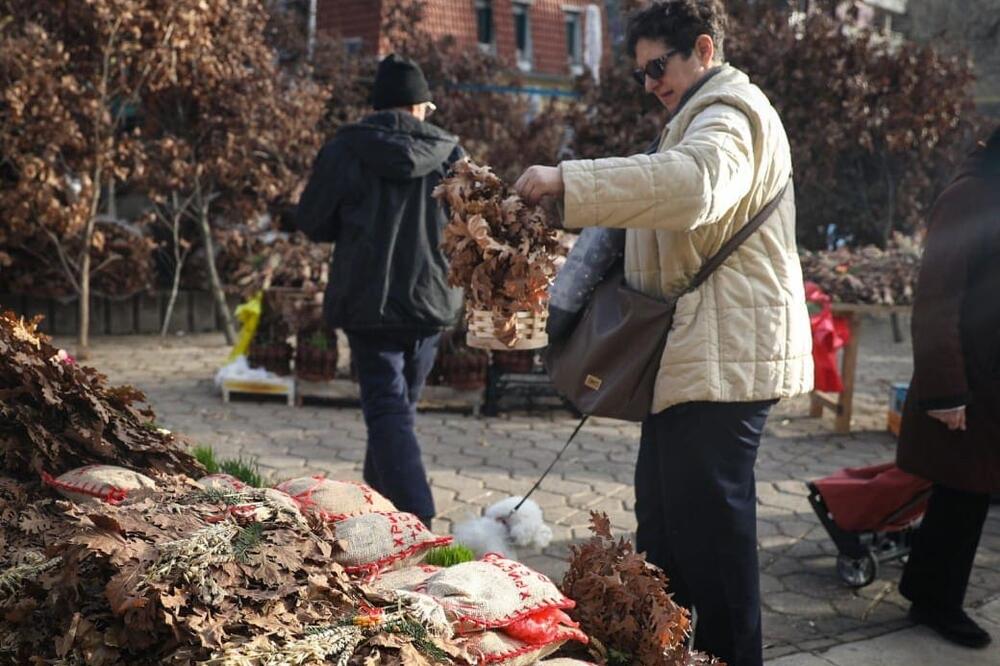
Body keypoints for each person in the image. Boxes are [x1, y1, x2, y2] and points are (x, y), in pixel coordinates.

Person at [514, 2, 813, 664]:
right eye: (641, 73)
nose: (650, 83)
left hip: (726, 358)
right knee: (667, 535)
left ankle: (732, 657)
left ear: (703, 49)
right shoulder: (696, 114)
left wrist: (570, 178)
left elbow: (695, 186)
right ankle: (672, 652)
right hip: (696, 355)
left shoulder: (730, 113)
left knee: (710, 541)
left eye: (659, 66)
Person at [296, 54, 464, 528]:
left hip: (367, 302)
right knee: (395, 412)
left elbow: (312, 220)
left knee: (390, 413)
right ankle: (398, 516)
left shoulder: (346, 149)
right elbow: (471, 224)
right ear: (417, 107)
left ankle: (412, 515)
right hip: (431, 300)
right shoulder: (452, 154)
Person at [895, 125, 1000, 650]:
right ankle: (935, 602)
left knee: (969, 496)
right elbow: (936, 300)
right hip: (969, 379)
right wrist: (945, 393)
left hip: (989, 377)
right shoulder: (971, 197)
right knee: (963, 495)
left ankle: (926, 590)